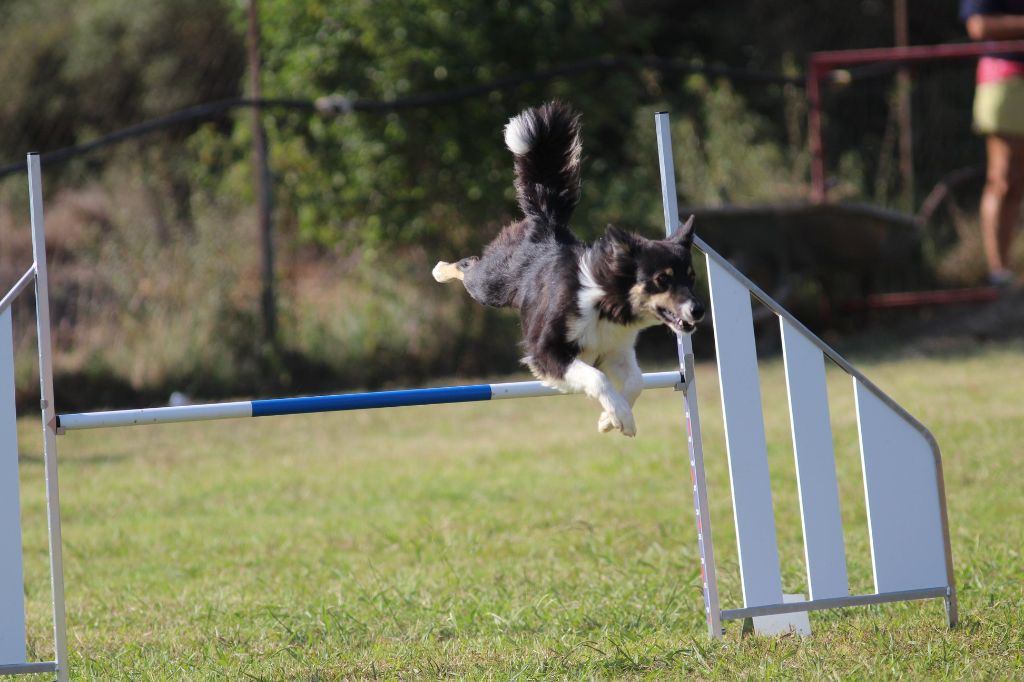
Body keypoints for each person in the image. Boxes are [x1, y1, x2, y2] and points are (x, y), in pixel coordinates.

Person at [961, 0, 1024, 287]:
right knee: (1004, 178)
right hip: (1004, 77)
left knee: (1015, 181)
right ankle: (998, 270)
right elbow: (979, 25)